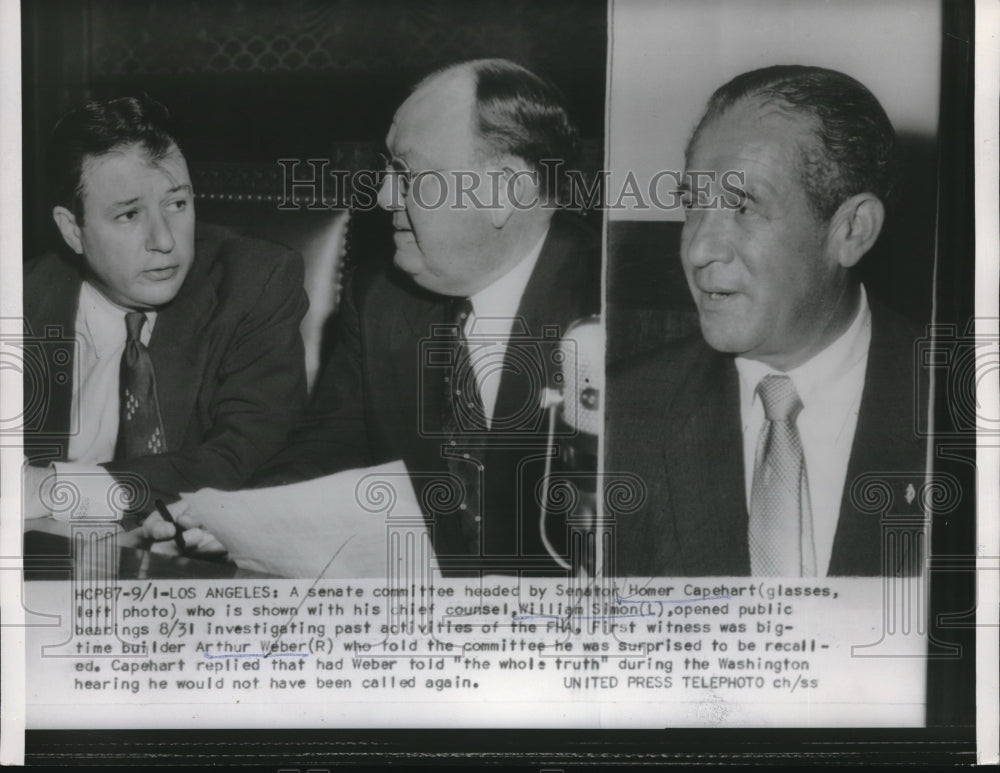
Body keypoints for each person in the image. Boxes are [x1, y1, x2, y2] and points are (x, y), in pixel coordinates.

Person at [148, 59, 601, 575]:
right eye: (389, 172)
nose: (385, 196)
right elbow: (329, 447)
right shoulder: (383, 299)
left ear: (505, 191)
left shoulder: (614, 307)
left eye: (408, 174)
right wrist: (235, 521)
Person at [606, 65, 927, 577]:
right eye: (692, 205)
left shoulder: (966, 412)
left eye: (743, 207)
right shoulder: (618, 417)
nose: (699, 250)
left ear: (851, 230)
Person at [22, 96, 309, 520]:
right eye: (128, 215)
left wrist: (56, 488)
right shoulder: (23, 300)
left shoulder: (253, 283)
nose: (165, 240)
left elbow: (251, 459)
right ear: (72, 230)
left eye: (177, 204)